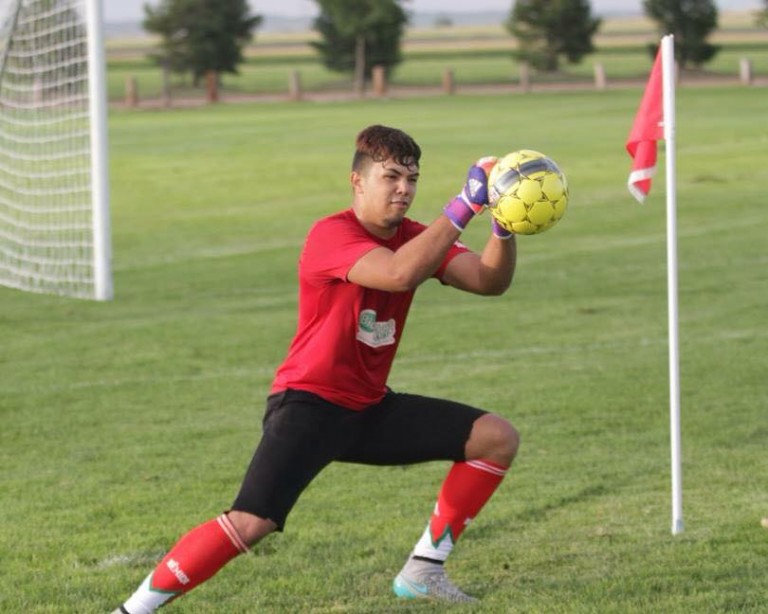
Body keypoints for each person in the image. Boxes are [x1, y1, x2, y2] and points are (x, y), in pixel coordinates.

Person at [112, 124, 520, 613]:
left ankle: (423, 571)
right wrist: (464, 204)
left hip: (369, 408)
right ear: (357, 181)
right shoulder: (332, 234)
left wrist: (504, 221)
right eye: (391, 177)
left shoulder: (416, 237)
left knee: (494, 437)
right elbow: (397, 274)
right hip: (309, 405)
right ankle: (130, 611)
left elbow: (489, 281)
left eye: (412, 180)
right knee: (251, 522)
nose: (404, 190)